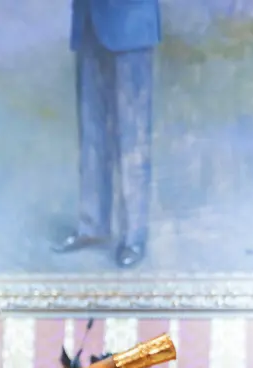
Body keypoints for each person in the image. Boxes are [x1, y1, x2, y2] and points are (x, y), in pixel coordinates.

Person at [54, 0, 160, 268]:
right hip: (88, 23)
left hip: (131, 27)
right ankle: (92, 227)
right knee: (92, 134)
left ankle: (134, 237)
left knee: (132, 137)